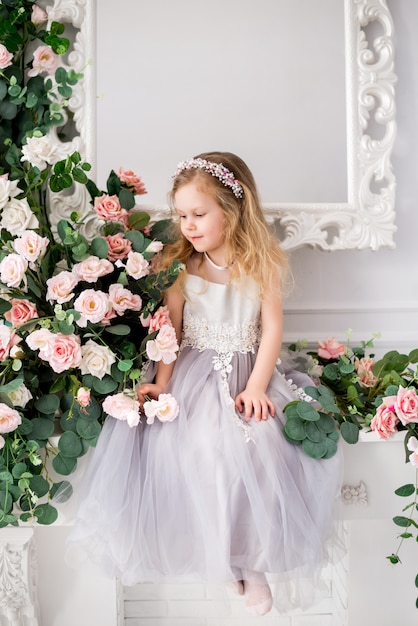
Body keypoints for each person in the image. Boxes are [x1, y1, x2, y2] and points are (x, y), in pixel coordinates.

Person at [67, 151, 343, 617]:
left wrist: (257, 387)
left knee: (257, 448)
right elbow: (171, 332)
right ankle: (223, 555)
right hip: (194, 373)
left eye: (199, 214)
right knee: (202, 449)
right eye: (182, 215)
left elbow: (272, 329)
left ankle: (252, 563)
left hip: (248, 372)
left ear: (232, 210)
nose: (189, 225)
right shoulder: (178, 267)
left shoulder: (262, 264)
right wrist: (162, 382)